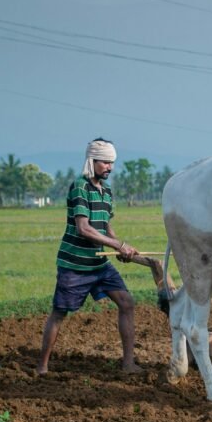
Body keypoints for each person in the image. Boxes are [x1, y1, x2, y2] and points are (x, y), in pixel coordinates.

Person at [36, 138, 145, 375]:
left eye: (112, 163)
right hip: (75, 264)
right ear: (92, 161)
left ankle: (128, 364)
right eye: (105, 162)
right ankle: (42, 366)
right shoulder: (80, 187)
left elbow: (105, 226)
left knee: (127, 303)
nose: (110, 167)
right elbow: (83, 228)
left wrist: (119, 249)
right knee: (59, 312)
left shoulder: (106, 192)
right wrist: (118, 244)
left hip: (99, 264)